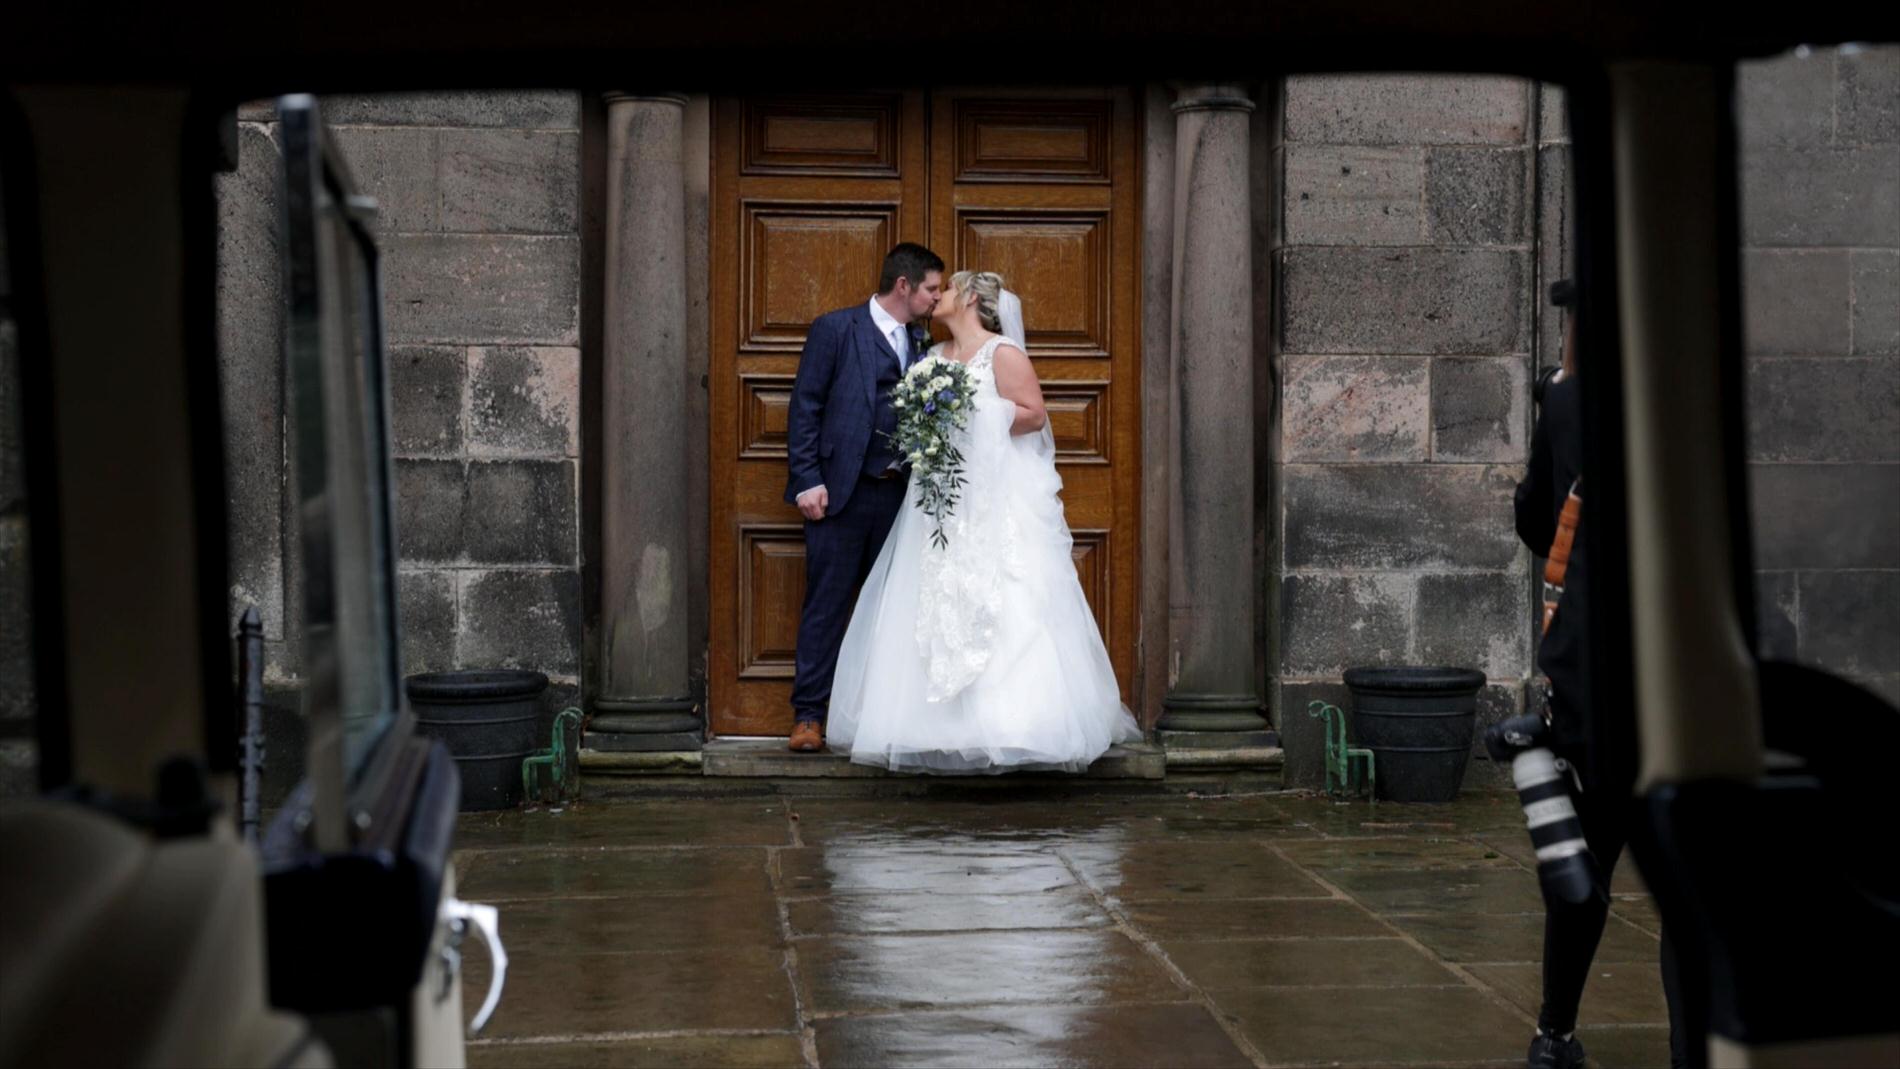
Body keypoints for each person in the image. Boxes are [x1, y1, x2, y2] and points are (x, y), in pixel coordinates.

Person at [823, 270, 1141, 772]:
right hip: (940, 501)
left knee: (1004, 596)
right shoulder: (930, 358)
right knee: (931, 599)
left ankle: (1017, 725)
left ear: (969, 298)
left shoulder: (1003, 353)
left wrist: (970, 413)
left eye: (947, 290)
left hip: (995, 495)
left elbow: (1034, 414)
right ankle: (929, 728)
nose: (938, 298)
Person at [1514, 279, 1688, 1069]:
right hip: (1678, 686)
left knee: (1583, 869)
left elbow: (1533, 521)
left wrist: (1557, 413)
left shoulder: (1569, 402)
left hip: (1591, 689)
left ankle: (1554, 1035)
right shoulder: (1683, 408)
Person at [783, 243, 944, 753]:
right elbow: (805, 405)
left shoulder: (924, 342)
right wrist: (808, 479)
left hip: (900, 500)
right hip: (840, 495)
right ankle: (808, 716)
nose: (938, 300)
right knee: (827, 606)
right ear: (904, 286)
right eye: (932, 289)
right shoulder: (836, 328)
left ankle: (879, 721)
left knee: (890, 613)